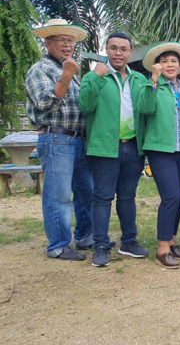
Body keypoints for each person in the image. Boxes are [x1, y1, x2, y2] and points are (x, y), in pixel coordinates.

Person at [78, 32, 149, 267]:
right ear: (106, 50)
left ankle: (129, 242)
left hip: (133, 147)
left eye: (123, 49)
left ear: (130, 52)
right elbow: (85, 105)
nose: (118, 53)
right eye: (113, 48)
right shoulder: (94, 75)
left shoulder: (139, 79)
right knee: (102, 198)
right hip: (105, 148)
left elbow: (147, 110)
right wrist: (98, 77)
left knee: (128, 197)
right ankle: (100, 245)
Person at [26, 18, 93, 260]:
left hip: (80, 140)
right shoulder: (40, 69)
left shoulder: (72, 71)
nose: (67, 45)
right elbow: (44, 104)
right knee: (59, 194)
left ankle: (86, 236)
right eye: (62, 40)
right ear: (48, 42)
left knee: (87, 191)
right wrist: (65, 76)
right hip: (57, 139)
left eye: (70, 41)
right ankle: (58, 245)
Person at [139, 42, 180, 269]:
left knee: (179, 197)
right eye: (165, 61)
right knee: (170, 196)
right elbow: (145, 109)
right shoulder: (152, 86)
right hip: (160, 149)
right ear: (158, 66)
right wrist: (153, 81)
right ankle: (162, 249)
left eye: (173, 61)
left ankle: (172, 241)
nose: (170, 65)